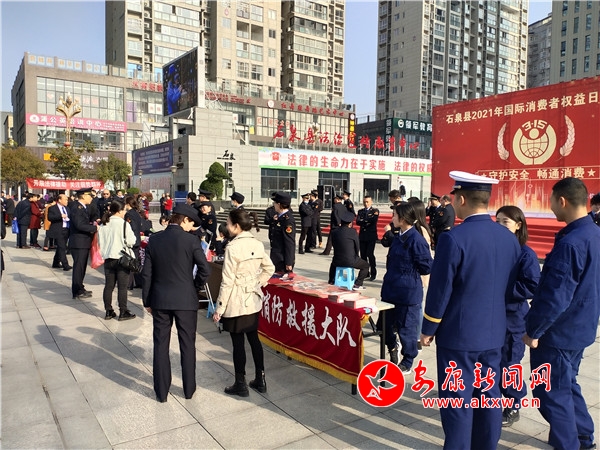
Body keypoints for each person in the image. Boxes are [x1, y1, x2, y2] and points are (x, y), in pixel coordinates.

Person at [421, 171, 521, 449]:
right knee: (489, 395)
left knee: (457, 400)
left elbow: (440, 290)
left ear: (461, 199)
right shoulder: (508, 238)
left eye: (454, 198)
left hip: (459, 335)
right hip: (494, 333)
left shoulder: (454, 239)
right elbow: (510, 285)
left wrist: (429, 328)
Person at [523, 177, 600, 450]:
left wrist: (534, 331)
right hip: (581, 327)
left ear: (562, 201)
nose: (551, 206)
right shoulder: (594, 233)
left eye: (552, 201)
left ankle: (568, 444)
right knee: (566, 384)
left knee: (551, 392)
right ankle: (583, 436)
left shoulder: (571, 243)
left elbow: (555, 296)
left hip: (558, 333)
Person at [142, 203, 210, 402]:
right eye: (191, 223)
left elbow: (147, 274)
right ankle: (188, 390)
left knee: (160, 345)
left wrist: (147, 300)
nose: (192, 228)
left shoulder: (155, 240)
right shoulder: (191, 241)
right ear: (184, 220)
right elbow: (205, 270)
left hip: (160, 300)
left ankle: (161, 392)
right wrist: (194, 287)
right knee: (187, 344)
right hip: (186, 300)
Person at [213, 209, 275, 396]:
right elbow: (269, 268)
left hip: (236, 299)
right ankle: (260, 380)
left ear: (236, 226)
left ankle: (240, 383)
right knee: (254, 339)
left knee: (238, 343)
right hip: (252, 299)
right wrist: (257, 283)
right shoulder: (257, 243)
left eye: (228, 223)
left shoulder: (232, 247)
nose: (227, 226)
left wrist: (219, 308)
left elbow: (227, 281)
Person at [494, 205, 541, 427]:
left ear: (518, 225)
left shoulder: (525, 253)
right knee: (491, 362)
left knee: (509, 363)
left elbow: (532, 285)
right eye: (497, 221)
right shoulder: (493, 249)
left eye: (506, 222)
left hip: (513, 319)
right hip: (492, 316)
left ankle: (513, 404)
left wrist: (501, 289)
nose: (500, 226)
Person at [382, 202, 432, 371]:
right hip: (390, 290)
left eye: (395, 215)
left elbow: (426, 266)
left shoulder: (416, 240)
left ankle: (408, 361)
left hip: (407, 293)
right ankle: (392, 346)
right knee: (384, 326)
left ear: (403, 219)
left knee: (407, 330)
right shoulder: (398, 237)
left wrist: (408, 272)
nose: (392, 218)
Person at [98, 200, 137, 321]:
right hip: (121, 258)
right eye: (124, 210)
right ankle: (123, 311)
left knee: (109, 286)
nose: (125, 212)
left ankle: (108, 311)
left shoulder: (104, 224)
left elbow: (100, 242)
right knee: (122, 287)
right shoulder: (124, 224)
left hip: (108, 258)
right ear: (119, 211)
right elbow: (131, 241)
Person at [328, 209, 369, 291]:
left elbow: (334, 245)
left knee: (333, 265)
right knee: (366, 266)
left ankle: (331, 281)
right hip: (350, 260)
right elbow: (357, 246)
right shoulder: (353, 232)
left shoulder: (334, 232)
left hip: (337, 260)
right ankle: (357, 284)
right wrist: (356, 256)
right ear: (350, 223)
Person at [69, 187, 99, 300]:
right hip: (79, 242)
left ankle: (80, 287)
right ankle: (77, 291)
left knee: (81, 267)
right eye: (90, 196)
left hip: (83, 242)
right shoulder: (77, 208)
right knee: (79, 267)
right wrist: (95, 228)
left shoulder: (83, 207)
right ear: (83, 196)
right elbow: (80, 225)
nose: (91, 198)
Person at [269, 192, 295, 277]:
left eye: (275, 203)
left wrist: (289, 262)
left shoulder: (287, 220)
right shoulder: (279, 217)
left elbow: (289, 242)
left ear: (279, 204)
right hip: (276, 256)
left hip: (282, 259)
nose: (274, 205)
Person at [356, 195, 379, 281]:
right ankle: (365, 273)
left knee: (370, 254)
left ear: (371, 202)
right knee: (363, 255)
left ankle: (373, 272)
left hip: (371, 236)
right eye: (364, 202)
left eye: (367, 202)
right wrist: (366, 221)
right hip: (362, 236)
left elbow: (373, 220)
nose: (366, 204)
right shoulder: (360, 211)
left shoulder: (375, 211)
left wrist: (364, 221)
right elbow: (358, 222)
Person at [47, 194, 72, 271]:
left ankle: (55, 263)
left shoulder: (67, 208)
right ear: (60, 200)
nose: (67, 201)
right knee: (62, 247)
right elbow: (50, 218)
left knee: (61, 247)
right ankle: (65, 265)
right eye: (65, 200)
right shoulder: (52, 208)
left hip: (66, 229)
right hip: (58, 230)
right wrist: (60, 216)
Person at [124, 196, 144, 290]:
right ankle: (138, 281)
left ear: (128, 204)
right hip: (137, 239)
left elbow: (131, 228)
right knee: (135, 261)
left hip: (132, 240)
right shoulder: (136, 213)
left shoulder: (129, 214)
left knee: (130, 262)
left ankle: (129, 283)